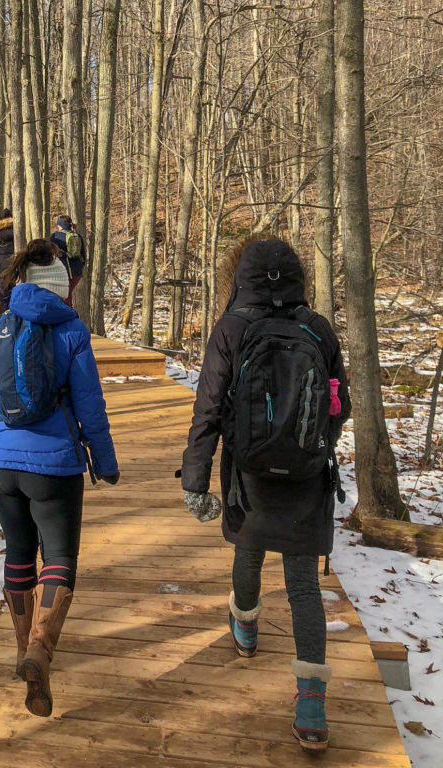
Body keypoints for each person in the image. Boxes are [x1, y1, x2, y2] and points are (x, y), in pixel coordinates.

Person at [179, 237, 350, 753]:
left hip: (248, 474)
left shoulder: (232, 328)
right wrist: (315, 448)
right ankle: (312, 705)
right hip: (305, 477)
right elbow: (338, 406)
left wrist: (195, 480)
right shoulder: (318, 330)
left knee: (248, 555)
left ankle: (246, 627)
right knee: (301, 585)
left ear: (242, 278)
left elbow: (207, 407)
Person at [0, 239, 119, 718]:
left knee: (18, 554)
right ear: (61, 288)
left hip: (1, 467)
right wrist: (105, 461)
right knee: (60, 557)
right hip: (55, 467)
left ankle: (20, 650)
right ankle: (39, 652)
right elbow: (90, 407)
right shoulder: (72, 331)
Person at [50, 215, 86, 307]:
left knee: (66, 298)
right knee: (67, 295)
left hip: (63, 271)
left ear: (59, 225)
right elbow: (83, 256)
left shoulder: (55, 237)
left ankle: (69, 317)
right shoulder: (78, 236)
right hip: (77, 272)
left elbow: (49, 255)